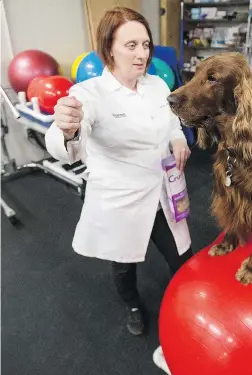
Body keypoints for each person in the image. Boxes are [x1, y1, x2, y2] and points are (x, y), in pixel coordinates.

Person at [45, 6, 193, 336]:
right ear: (109, 47)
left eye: (145, 44)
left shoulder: (156, 84)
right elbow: (62, 140)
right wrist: (66, 129)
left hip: (162, 193)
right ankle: (133, 305)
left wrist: (178, 139)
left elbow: (171, 122)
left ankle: (188, 304)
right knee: (124, 263)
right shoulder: (89, 94)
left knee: (183, 258)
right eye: (131, 45)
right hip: (122, 200)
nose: (141, 54)